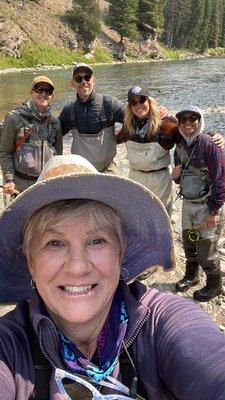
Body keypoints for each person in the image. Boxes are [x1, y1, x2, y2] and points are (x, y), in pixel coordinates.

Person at [1, 154, 225, 399]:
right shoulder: (9, 347)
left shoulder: (161, 322)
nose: (78, 267)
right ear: (30, 261)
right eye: (55, 243)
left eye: (97, 241)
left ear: (121, 251)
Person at [172, 106, 225, 301]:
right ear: (179, 124)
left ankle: (214, 286)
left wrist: (213, 211)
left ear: (200, 121)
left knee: (207, 249)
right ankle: (192, 276)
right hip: (188, 204)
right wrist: (175, 176)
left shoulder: (211, 143)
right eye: (183, 119)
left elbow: (220, 180)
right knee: (190, 242)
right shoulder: (179, 146)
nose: (188, 123)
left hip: (206, 205)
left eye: (193, 119)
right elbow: (182, 178)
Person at [116, 85, 178, 216]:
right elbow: (113, 139)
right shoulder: (127, 127)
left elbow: (189, 134)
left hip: (160, 180)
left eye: (142, 100)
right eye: (133, 102)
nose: (138, 105)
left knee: (161, 217)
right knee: (139, 216)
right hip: (136, 178)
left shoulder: (166, 123)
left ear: (150, 102)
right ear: (130, 107)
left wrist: (213, 136)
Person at [0, 75, 62, 195]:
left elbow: (58, 156)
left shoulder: (55, 123)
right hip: (21, 184)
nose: (44, 94)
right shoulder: (13, 118)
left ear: (52, 96)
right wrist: (9, 179)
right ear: (31, 93)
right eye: (39, 89)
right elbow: (5, 152)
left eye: (48, 91)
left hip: (47, 182)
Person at [59, 63, 125, 172]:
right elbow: (54, 134)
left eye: (87, 77)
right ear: (72, 83)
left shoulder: (110, 103)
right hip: (81, 170)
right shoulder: (68, 110)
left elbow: (134, 118)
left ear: (93, 81)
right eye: (78, 79)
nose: (84, 81)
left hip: (108, 168)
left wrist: (159, 112)